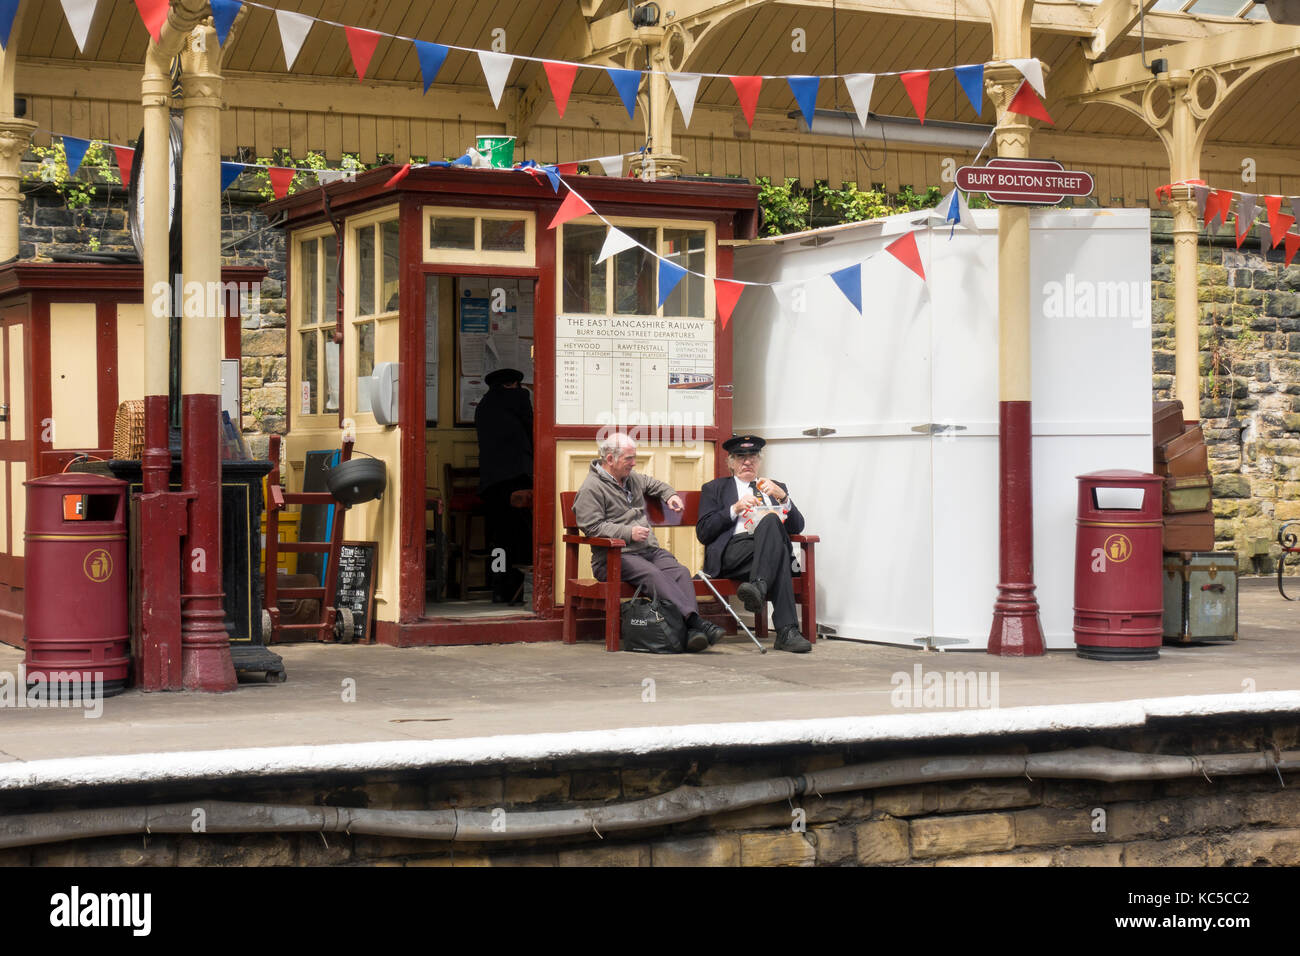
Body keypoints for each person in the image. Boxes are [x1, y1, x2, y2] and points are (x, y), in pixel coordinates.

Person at [574, 432, 724, 652]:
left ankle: (692, 633)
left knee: (680, 571)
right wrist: (628, 532)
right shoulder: (591, 488)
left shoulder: (631, 478)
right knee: (653, 575)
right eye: (628, 459)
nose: (634, 463)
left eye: (634, 457)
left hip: (647, 551)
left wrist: (670, 495)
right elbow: (591, 527)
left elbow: (653, 484)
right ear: (610, 459)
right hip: (614, 557)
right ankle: (694, 622)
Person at [697, 435, 812, 653]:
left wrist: (783, 498)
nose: (747, 462)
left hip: (764, 555)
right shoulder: (715, 488)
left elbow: (798, 526)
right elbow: (703, 533)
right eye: (741, 457)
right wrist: (735, 509)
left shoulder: (775, 487)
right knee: (777, 548)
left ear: (759, 461)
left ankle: (759, 586)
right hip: (734, 552)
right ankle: (788, 632)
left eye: (752, 457)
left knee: (770, 523)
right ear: (730, 462)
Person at [474, 367, 532, 604]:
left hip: (491, 483)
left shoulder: (484, 405)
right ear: (513, 385)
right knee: (522, 535)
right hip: (518, 479)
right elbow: (533, 432)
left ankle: (498, 585)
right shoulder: (519, 400)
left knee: (499, 538)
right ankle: (520, 587)